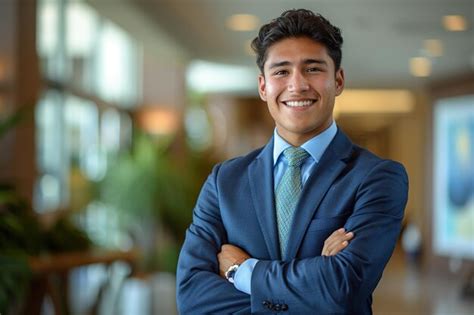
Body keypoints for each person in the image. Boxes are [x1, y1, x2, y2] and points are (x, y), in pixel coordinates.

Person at [176, 8, 408, 314]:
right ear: (263, 86)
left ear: (338, 80)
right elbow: (192, 296)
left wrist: (243, 272)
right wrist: (315, 281)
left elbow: (343, 286)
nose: (297, 85)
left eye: (312, 69)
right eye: (281, 71)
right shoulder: (224, 181)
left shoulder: (377, 177)